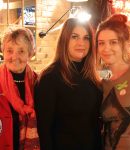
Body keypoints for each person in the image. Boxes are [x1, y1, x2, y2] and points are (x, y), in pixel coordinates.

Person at [34, 18, 103, 150]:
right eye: (74, 37)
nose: (81, 43)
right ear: (64, 40)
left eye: (86, 38)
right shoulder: (49, 77)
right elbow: (44, 130)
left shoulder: (92, 77)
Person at [96, 14, 130, 150]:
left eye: (113, 42)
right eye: (101, 43)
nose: (106, 48)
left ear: (125, 43)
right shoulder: (101, 77)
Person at [0, 27, 40, 150]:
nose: (14, 56)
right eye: (9, 50)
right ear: (3, 52)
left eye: (21, 51)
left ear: (30, 54)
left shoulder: (39, 83)